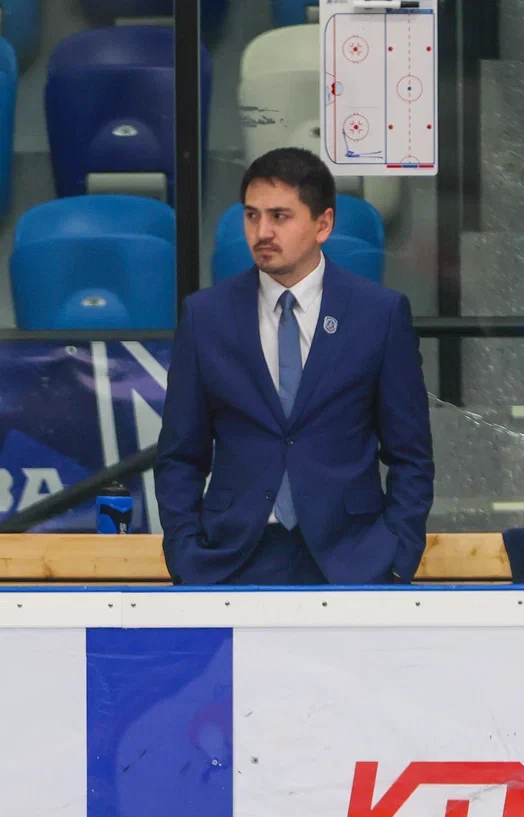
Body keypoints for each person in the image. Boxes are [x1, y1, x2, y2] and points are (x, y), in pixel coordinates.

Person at [155, 147, 435, 586]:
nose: (262, 232)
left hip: (352, 561)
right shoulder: (205, 316)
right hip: (230, 560)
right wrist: (185, 554)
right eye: (252, 216)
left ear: (323, 224)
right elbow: (179, 455)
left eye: (279, 216)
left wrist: (396, 556)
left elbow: (410, 454)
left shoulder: (379, 314)